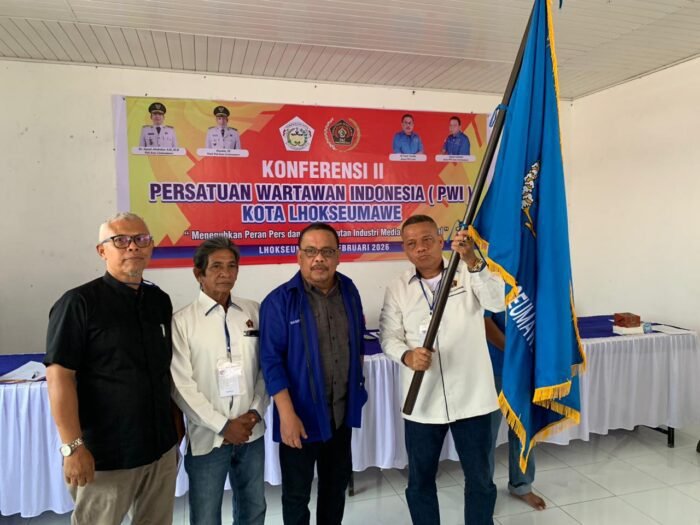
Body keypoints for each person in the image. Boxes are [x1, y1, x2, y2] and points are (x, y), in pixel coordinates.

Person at [45, 212, 180, 525]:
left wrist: (174, 424)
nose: (133, 246)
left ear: (151, 247)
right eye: (120, 240)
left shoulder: (159, 301)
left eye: (141, 239)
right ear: (102, 251)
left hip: (159, 448)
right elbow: (59, 377)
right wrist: (72, 448)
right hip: (106, 456)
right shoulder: (78, 303)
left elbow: (163, 370)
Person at [379, 214, 505, 525]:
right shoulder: (398, 288)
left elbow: (497, 302)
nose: (420, 248)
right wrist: (407, 356)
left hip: (473, 398)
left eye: (426, 240)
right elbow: (389, 336)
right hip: (422, 400)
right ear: (405, 249)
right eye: (411, 244)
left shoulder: (468, 271)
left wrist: (474, 261)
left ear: (440, 240)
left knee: (480, 479)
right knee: (420, 481)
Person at [260, 222, 368, 525]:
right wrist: (286, 416)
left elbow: (357, 342)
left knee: (334, 490)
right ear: (299, 257)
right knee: (297, 496)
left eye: (327, 252)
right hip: (300, 419)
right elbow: (271, 361)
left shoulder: (349, 290)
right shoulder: (279, 301)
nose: (319, 258)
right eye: (310, 251)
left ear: (338, 256)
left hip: (340, 416)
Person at [171, 237, 269, 525]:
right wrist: (224, 425)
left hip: (251, 432)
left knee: (253, 509)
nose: (225, 273)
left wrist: (255, 412)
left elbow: (266, 368)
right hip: (208, 438)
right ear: (198, 273)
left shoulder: (254, 312)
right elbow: (181, 386)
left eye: (231, 266)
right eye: (216, 267)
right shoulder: (182, 322)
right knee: (205, 516)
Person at [484, 311, 546, 510]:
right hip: (493, 367)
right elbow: (484, 322)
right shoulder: (489, 287)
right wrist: (514, 351)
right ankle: (483, 492)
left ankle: (522, 485)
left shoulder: (530, 288)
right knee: (486, 434)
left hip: (524, 367)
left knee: (522, 429)